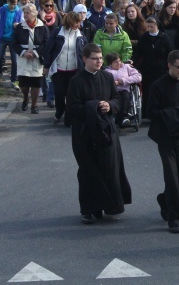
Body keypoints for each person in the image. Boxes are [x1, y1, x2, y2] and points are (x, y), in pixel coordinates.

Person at [66, 43, 132, 224]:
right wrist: (94, 106)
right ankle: (89, 209)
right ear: (85, 59)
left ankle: (110, 206)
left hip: (106, 131)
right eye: (95, 58)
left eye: (101, 58)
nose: (99, 61)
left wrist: (110, 105)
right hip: (85, 134)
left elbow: (117, 99)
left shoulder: (107, 77)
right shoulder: (76, 81)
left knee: (110, 168)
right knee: (89, 172)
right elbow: (72, 109)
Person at [147, 50, 179, 233]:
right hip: (165, 138)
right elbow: (151, 112)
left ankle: (164, 199)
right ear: (169, 65)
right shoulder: (158, 86)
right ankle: (174, 219)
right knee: (172, 179)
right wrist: (174, 115)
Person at [43, 12, 87, 127]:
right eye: (76, 22)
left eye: (79, 22)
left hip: (74, 70)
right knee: (60, 93)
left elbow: (84, 51)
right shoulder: (57, 32)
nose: (78, 24)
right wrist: (46, 66)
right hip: (59, 69)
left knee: (71, 95)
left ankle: (69, 117)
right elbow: (49, 49)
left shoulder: (80, 35)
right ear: (69, 21)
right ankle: (59, 112)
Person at [12, 4, 50, 114]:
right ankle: (25, 98)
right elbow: (14, 43)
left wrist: (36, 53)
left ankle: (34, 105)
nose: (25, 15)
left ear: (34, 14)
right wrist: (23, 53)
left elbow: (46, 42)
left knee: (36, 83)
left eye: (27, 13)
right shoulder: (19, 27)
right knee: (23, 84)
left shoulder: (43, 27)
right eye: (24, 13)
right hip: (23, 58)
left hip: (37, 59)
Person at [133, 16, 173, 118]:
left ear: (157, 25)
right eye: (148, 26)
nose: (149, 28)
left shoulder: (164, 38)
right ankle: (148, 112)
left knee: (161, 91)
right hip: (147, 70)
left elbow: (170, 52)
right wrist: (132, 61)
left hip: (161, 70)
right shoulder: (144, 37)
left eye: (152, 26)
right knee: (148, 91)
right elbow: (138, 52)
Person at [0, 0, 22, 90]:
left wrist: (19, 25)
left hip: (13, 39)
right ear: (7, 2)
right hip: (2, 38)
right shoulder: (2, 10)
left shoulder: (19, 12)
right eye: (11, 4)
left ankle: (14, 79)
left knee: (15, 60)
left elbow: (23, 24)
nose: (13, 6)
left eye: (15, 4)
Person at [104, 53, 143, 128]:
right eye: (115, 62)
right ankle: (120, 120)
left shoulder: (127, 67)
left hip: (124, 90)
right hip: (112, 92)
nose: (119, 63)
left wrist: (122, 81)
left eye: (119, 60)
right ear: (110, 64)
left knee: (124, 97)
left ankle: (122, 118)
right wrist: (113, 83)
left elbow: (138, 77)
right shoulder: (106, 71)